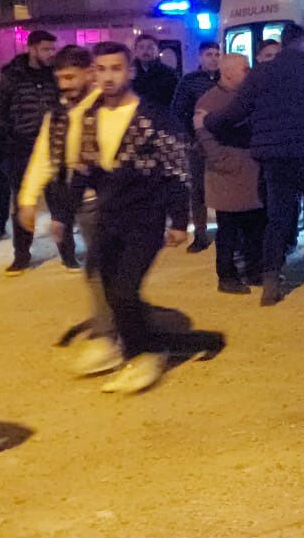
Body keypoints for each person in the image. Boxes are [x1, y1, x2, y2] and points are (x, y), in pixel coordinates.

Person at [23, 42, 191, 394]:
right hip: (109, 218)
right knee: (110, 288)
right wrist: (62, 216)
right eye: (101, 69)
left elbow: (176, 170)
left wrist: (178, 220)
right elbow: (81, 171)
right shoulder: (90, 117)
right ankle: (128, 349)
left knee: (125, 290)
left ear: (130, 70)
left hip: (145, 217)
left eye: (116, 68)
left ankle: (147, 355)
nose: (108, 77)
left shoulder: (154, 118)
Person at [203, 22, 304, 305]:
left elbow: (236, 111)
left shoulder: (261, 74)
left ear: (282, 43)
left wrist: (209, 121)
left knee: (277, 219)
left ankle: (271, 283)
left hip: (276, 159)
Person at [17, 46, 108, 370]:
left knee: (102, 271)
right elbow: (43, 155)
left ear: (89, 72)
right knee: (102, 272)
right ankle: (118, 329)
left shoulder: (107, 107)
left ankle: (110, 338)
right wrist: (27, 198)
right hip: (79, 202)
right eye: (60, 79)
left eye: (70, 77)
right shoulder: (58, 113)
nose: (65, 84)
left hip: (109, 201)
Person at [0, 30, 61, 272]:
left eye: (52, 49)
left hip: (53, 144)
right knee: (23, 200)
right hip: (21, 145)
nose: (51, 54)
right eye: (45, 49)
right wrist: (11, 133)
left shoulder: (55, 75)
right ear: (31, 49)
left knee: (58, 198)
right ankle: (21, 255)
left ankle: (67, 251)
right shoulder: (12, 75)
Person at [195, 54, 264, 294]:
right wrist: (222, 161)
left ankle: (254, 270)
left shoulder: (248, 96)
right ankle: (226, 276)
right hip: (227, 174)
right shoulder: (210, 99)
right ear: (228, 73)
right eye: (245, 68)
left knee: (254, 226)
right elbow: (204, 135)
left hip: (249, 170)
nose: (250, 71)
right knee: (228, 230)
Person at [170, 41, 222, 253]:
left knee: (223, 188)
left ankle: (226, 230)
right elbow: (178, 111)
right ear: (201, 57)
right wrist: (190, 137)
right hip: (197, 143)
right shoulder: (189, 81)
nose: (214, 58)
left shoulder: (224, 79)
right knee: (198, 190)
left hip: (221, 142)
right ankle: (200, 234)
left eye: (217, 54)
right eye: (209, 54)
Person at [130, 32, 180, 112]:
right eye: (141, 47)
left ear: (158, 51)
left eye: (150, 47)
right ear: (135, 51)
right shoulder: (129, 74)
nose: (145, 51)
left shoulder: (169, 74)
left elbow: (176, 101)